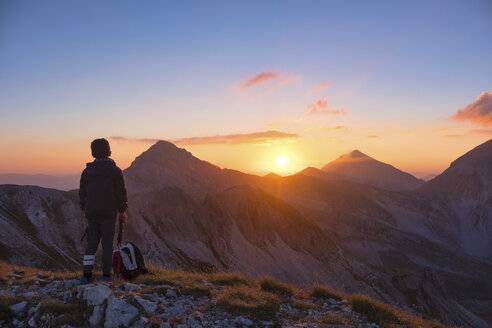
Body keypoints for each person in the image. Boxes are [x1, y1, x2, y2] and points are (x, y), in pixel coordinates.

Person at [79, 138, 128, 283]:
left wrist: (85, 210)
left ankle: (86, 275)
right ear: (109, 151)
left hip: (92, 213)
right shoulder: (116, 171)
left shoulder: (87, 172)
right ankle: (107, 275)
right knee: (107, 245)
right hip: (109, 213)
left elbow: (82, 193)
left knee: (91, 244)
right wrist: (122, 211)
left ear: (93, 152)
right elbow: (121, 193)